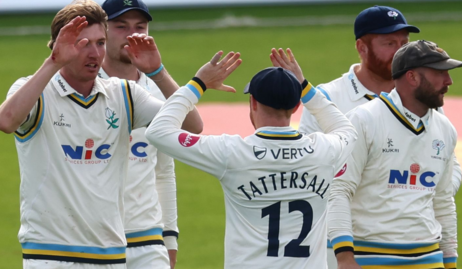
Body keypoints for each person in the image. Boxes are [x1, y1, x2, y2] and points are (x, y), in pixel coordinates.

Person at [0, 0, 201, 268]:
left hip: (111, 255)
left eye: (100, 43)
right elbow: (6, 120)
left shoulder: (123, 94)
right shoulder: (34, 91)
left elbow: (191, 125)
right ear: (58, 46)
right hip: (50, 255)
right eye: (83, 44)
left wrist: (158, 72)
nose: (94, 53)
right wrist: (52, 64)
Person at [145, 50, 357, 269]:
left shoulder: (232, 152)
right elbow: (346, 130)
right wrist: (304, 86)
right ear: (296, 107)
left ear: (253, 103)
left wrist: (198, 84)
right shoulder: (324, 151)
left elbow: (158, 132)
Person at [297, 6, 461, 267]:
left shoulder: (430, 106)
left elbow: (445, 174)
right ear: (362, 48)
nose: (399, 51)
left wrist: (412, 193)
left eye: (404, 43)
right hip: (353, 245)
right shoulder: (329, 99)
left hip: (423, 249)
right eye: (389, 43)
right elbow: (313, 172)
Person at [327, 40, 462, 269]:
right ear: (412, 77)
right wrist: (344, 258)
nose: (448, 81)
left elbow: (443, 201)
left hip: (429, 259)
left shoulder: (445, 129)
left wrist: (450, 262)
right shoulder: (363, 120)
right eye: (440, 73)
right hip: (371, 259)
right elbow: (338, 190)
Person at [100, 0, 202, 268]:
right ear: (103, 30)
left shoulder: (158, 89)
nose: (132, 35)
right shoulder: (85, 86)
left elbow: (164, 171)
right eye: (121, 26)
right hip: (92, 239)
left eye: (140, 27)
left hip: (147, 240)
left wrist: (169, 240)